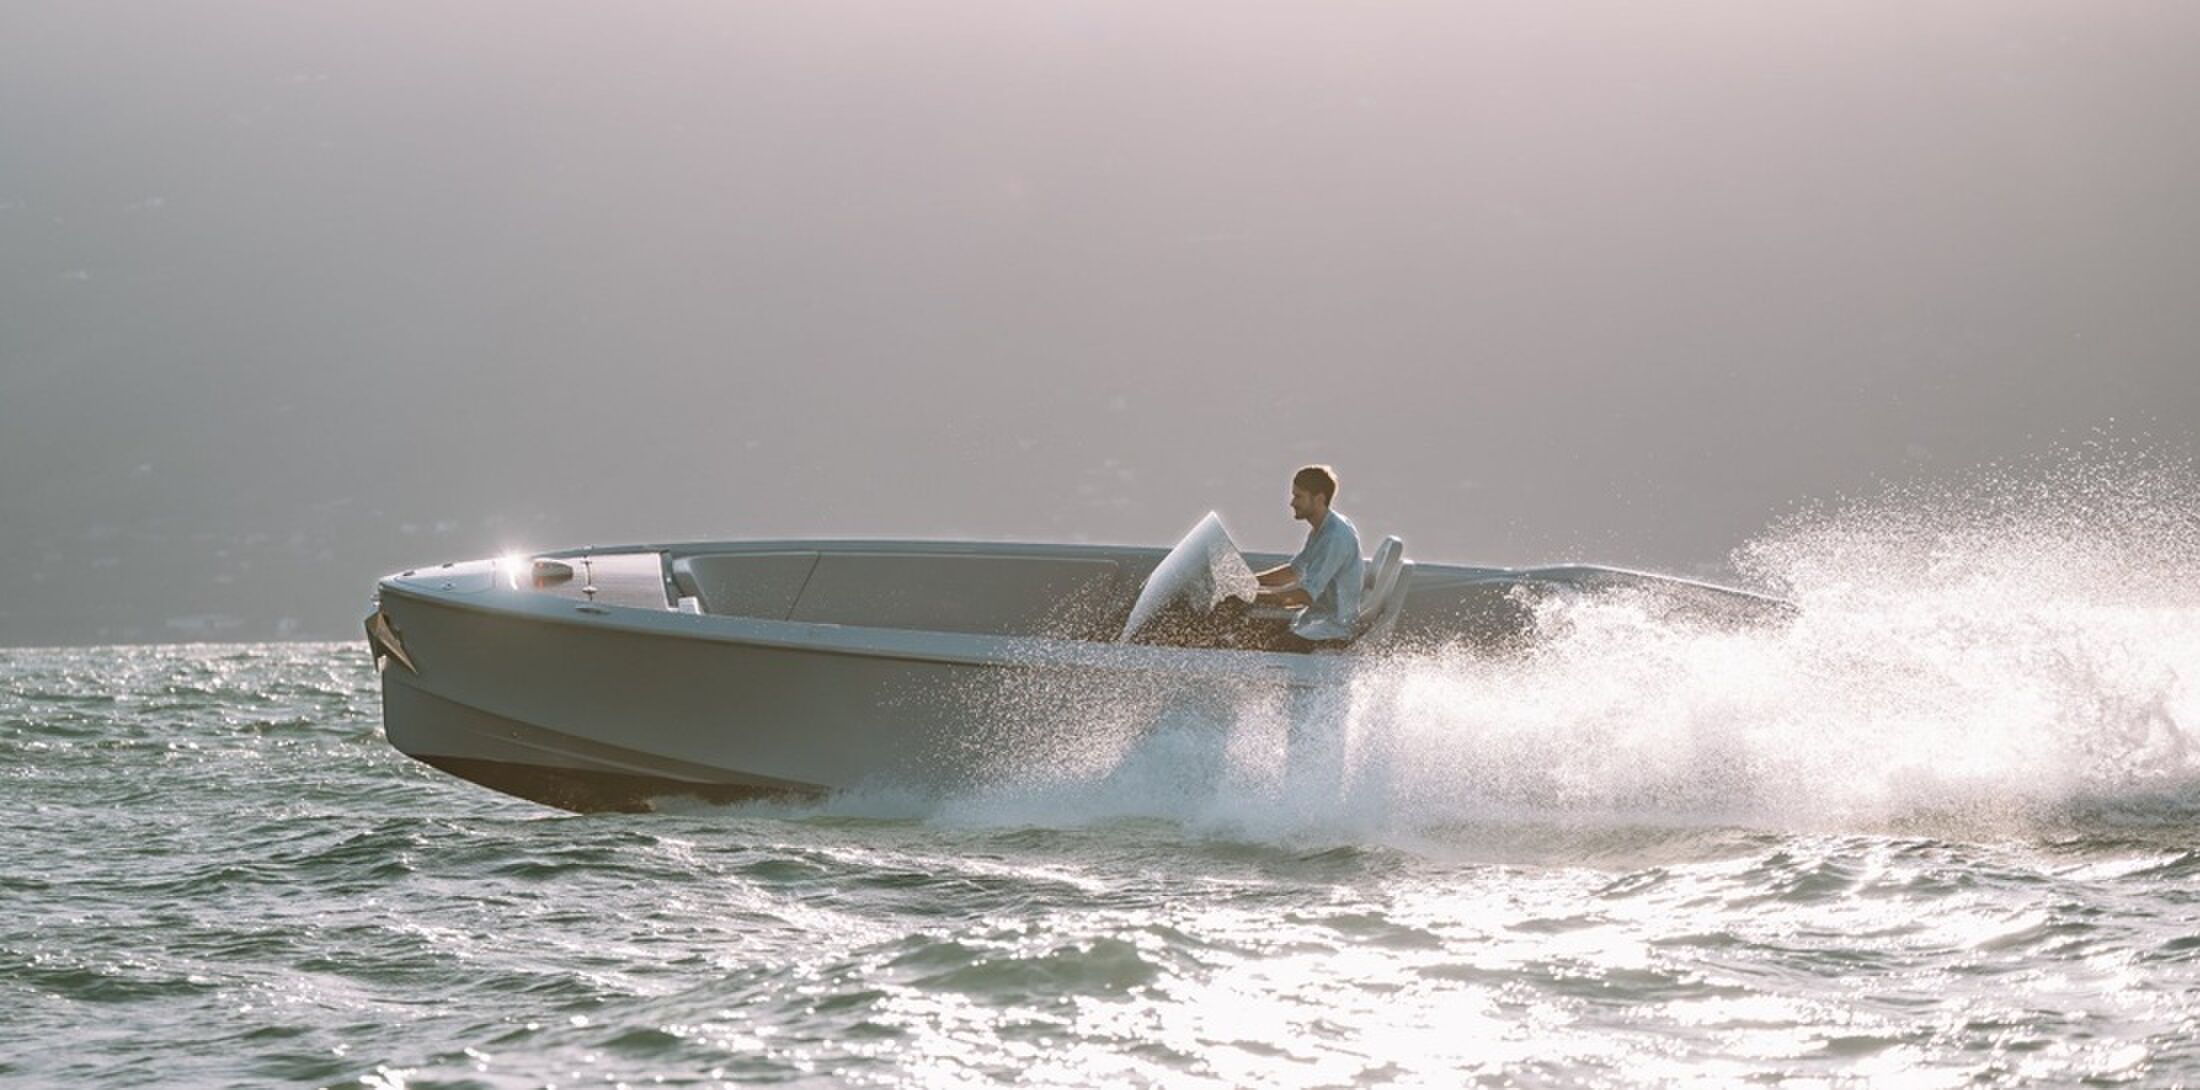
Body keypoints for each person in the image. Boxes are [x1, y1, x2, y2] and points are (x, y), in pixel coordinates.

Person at [1249, 464, 1363, 652]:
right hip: (1313, 621)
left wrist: (1251, 596)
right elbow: (1294, 571)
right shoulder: (1323, 529)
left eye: (1298, 496)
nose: (1292, 503)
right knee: (1253, 631)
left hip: (1331, 630)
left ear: (1319, 499)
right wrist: (1249, 581)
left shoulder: (1334, 537)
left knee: (1257, 645)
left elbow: (1305, 596)